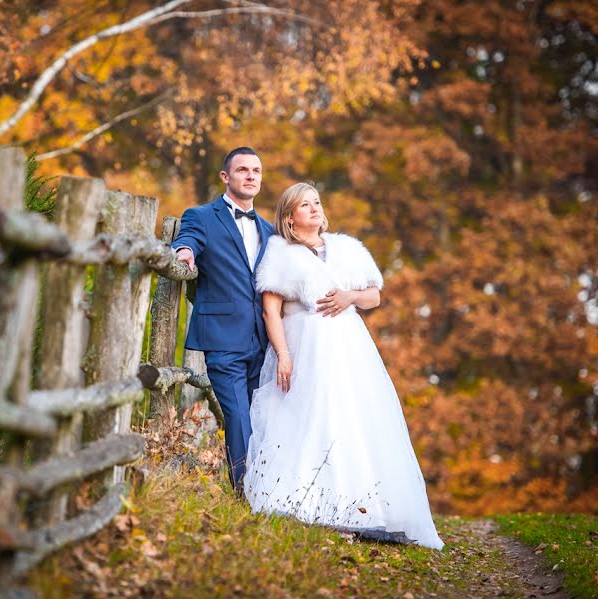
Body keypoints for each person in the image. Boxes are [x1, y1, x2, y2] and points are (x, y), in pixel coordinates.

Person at [243, 182, 444, 550]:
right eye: (305, 205)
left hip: (349, 345)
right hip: (305, 343)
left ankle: (365, 505)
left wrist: (351, 295)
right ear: (290, 218)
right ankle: (310, 501)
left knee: (353, 415)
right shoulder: (280, 253)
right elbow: (271, 309)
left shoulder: (347, 249)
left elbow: (374, 296)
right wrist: (284, 355)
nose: (315, 209)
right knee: (311, 414)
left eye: (317, 202)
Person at [172, 147, 276, 493]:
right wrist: (184, 252)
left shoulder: (269, 230)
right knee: (237, 415)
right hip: (222, 338)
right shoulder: (201, 216)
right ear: (225, 177)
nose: (250, 176)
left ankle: (269, 488)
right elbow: (188, 240)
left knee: (262, 417)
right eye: (243, 169)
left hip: (263, 340)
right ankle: (247, 493)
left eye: (256, 171)